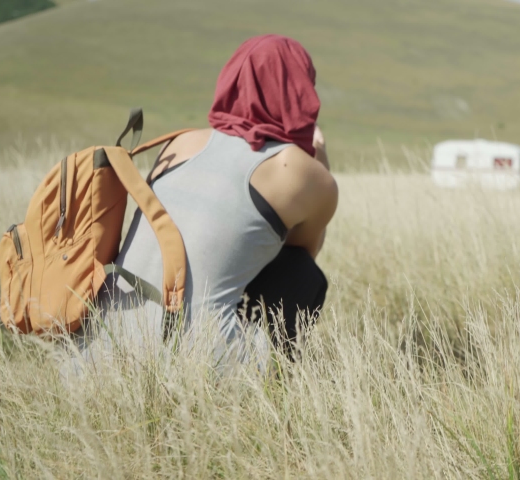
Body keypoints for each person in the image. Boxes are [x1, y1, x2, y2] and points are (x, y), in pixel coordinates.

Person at [69, 34, 338, 370]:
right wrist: (320, 158)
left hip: (89, 357)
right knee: (302, 273)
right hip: (192, 372)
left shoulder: (180, 143)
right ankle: (274, 386)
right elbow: (301, 254)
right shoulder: (297, 169)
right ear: (301, 91)